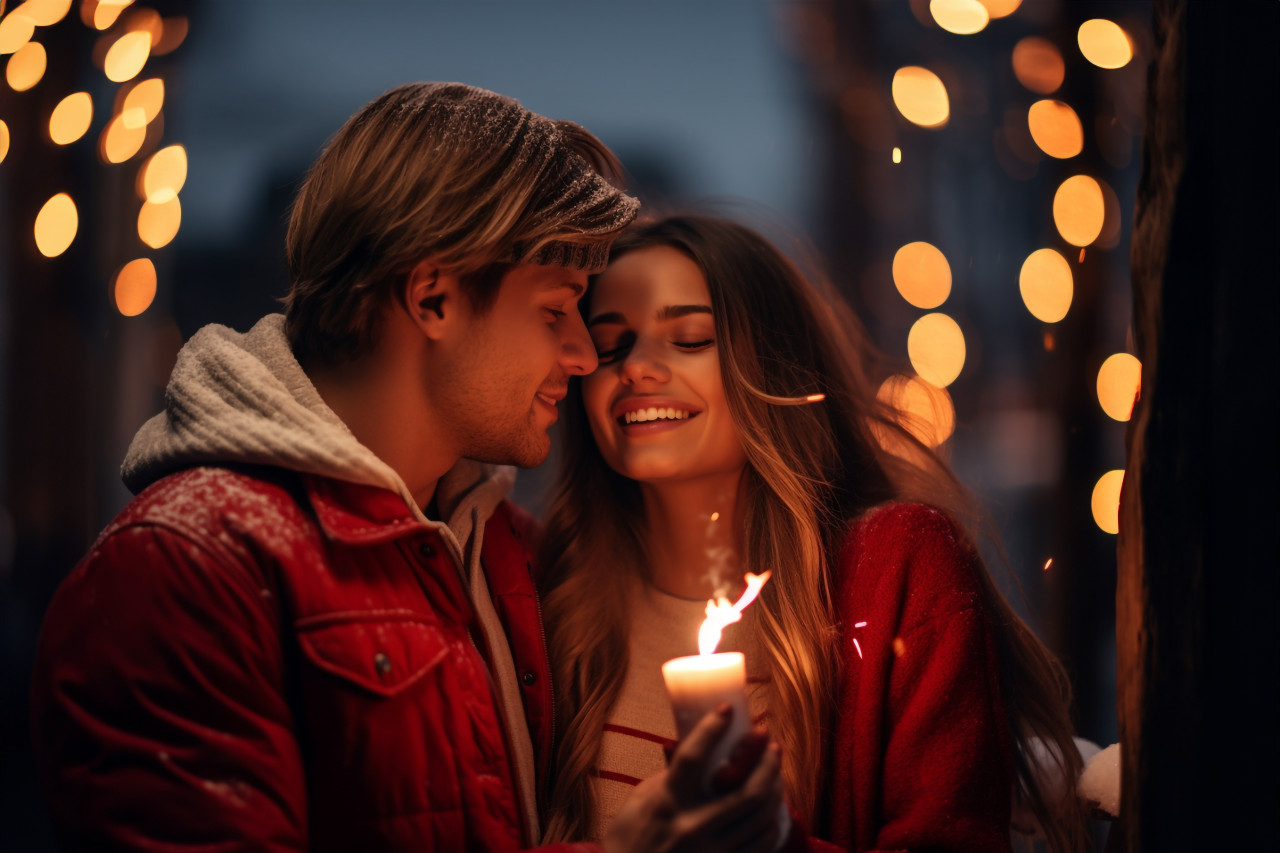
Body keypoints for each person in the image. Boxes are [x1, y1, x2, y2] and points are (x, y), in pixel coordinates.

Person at [30, 86, 785, 852]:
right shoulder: (186, 566)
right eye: (555, 312)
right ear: (433, 298)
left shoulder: (507, 554)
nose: (585, 357)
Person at [537, 214, 1093, 851]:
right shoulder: (547, 589)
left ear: (773, 366)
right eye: (610, 347)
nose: (636, 368)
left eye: (689, 338)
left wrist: (772, 842)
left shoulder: (895, 570)